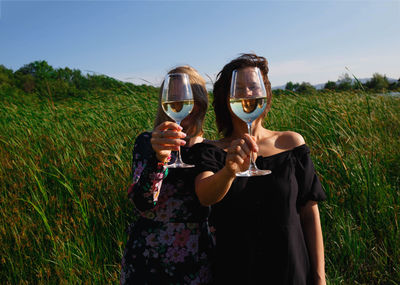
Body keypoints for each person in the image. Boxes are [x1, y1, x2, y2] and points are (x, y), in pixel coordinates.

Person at [192, 54, 327, 284]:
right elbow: (205, 196)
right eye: (239, 88)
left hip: (292, 273)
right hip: (236, 273)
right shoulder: (210, 150)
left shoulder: (292, 143)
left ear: (265, 93)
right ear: (226, 97)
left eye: (254, 87)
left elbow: (309, 214)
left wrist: (319, 278)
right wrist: (229, 170)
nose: (247, 93)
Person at [120, 66, 214, 284]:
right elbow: (143, 203)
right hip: (148, 256)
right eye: (173, 98)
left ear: (200, 103)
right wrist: (159, 159)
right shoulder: (147, 142)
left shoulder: (211, 150)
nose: (183, 106)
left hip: (196, 255)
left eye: (189, 98)